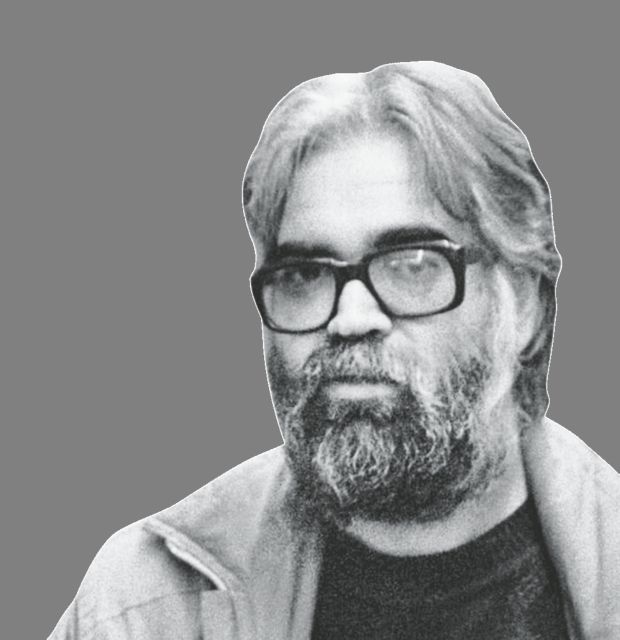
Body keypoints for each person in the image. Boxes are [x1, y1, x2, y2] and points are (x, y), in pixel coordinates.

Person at [49, 61, 619, 640]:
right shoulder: (146, 606)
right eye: (304, 274)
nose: (350, 318)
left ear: (525, 303)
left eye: (412, 263)